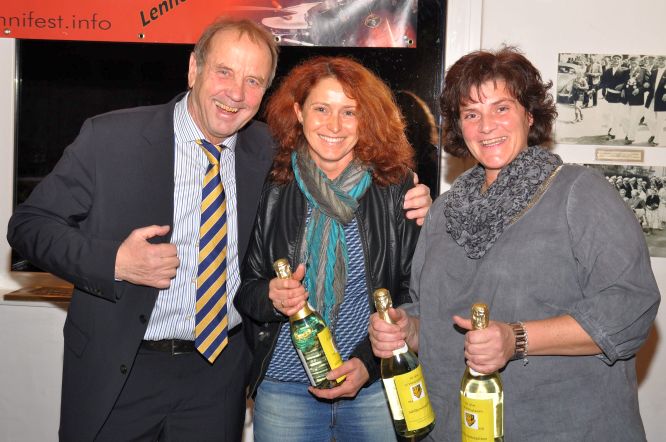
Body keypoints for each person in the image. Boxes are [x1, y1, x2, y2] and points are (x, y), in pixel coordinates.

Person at [6, 18, 432, 441]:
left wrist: (419, 201)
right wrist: (115, 261)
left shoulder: (268, 153)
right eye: (224, 72)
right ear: (194, 69)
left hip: (218, 376)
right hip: (122, 366)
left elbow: (342, 166)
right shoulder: (112, 138)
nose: (236, 93)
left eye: (253, 81)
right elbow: (29, 226)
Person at [368, 47, 660, 441]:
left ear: (530, 115)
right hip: (457, 426)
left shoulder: (578, 192)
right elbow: (431, 317)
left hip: (564, 428)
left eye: (501, 108)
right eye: (471, 114)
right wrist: (406, 329)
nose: (486, 126)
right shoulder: (444, 212)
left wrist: (517, 339)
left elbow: (631, 306)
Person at [234, 56, 421, 442]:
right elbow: (246, 289)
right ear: (299, 113)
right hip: (285, 390)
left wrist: (367, 364)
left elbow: (410, 293)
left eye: (349, 112)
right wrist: (271, 296)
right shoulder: (272, 184)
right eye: (321, 109)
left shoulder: (395, 188)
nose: (334, 125)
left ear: (365, 119)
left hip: (373, 386)